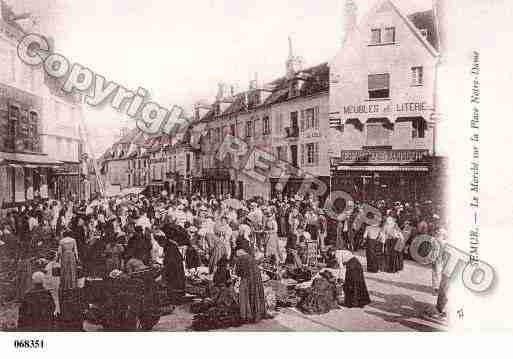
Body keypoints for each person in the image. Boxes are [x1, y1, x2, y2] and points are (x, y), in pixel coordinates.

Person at [235, 243, 266, 324]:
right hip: (256, 279)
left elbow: (238, 273)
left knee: (244, 297)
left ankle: (245, 316)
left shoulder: (240, 258)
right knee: (254, 296)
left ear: (240, 251)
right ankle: (255, 314)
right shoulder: (250, 257)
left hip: (246, 279)